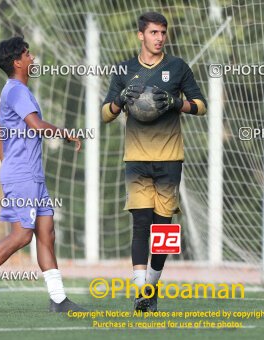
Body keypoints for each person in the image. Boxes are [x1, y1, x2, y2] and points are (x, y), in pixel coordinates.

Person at [0, 36, 86, 313]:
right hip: (24, 175)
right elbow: (36, 125)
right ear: (17, 62)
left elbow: (0, 133)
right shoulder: (16, 91)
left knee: (46, 232)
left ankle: (59, 299)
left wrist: (10, 166)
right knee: (22, 236)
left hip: (29, 174)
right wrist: (66, 134)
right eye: (27, 54)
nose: (32, 57)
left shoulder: (16, 91)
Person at [101, 12, 207, 312]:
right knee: (141, 224)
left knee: (164, 230)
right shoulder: (124, 69)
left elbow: (201, 106)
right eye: (153, 33)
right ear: (141, 35)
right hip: (136, 158)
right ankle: (140, 292)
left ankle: (151, 286)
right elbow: (105, 114)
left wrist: (178, 103)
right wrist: (120, 99)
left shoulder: (177, 67)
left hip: (170, 159)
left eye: (163, 32)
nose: (160, 38)